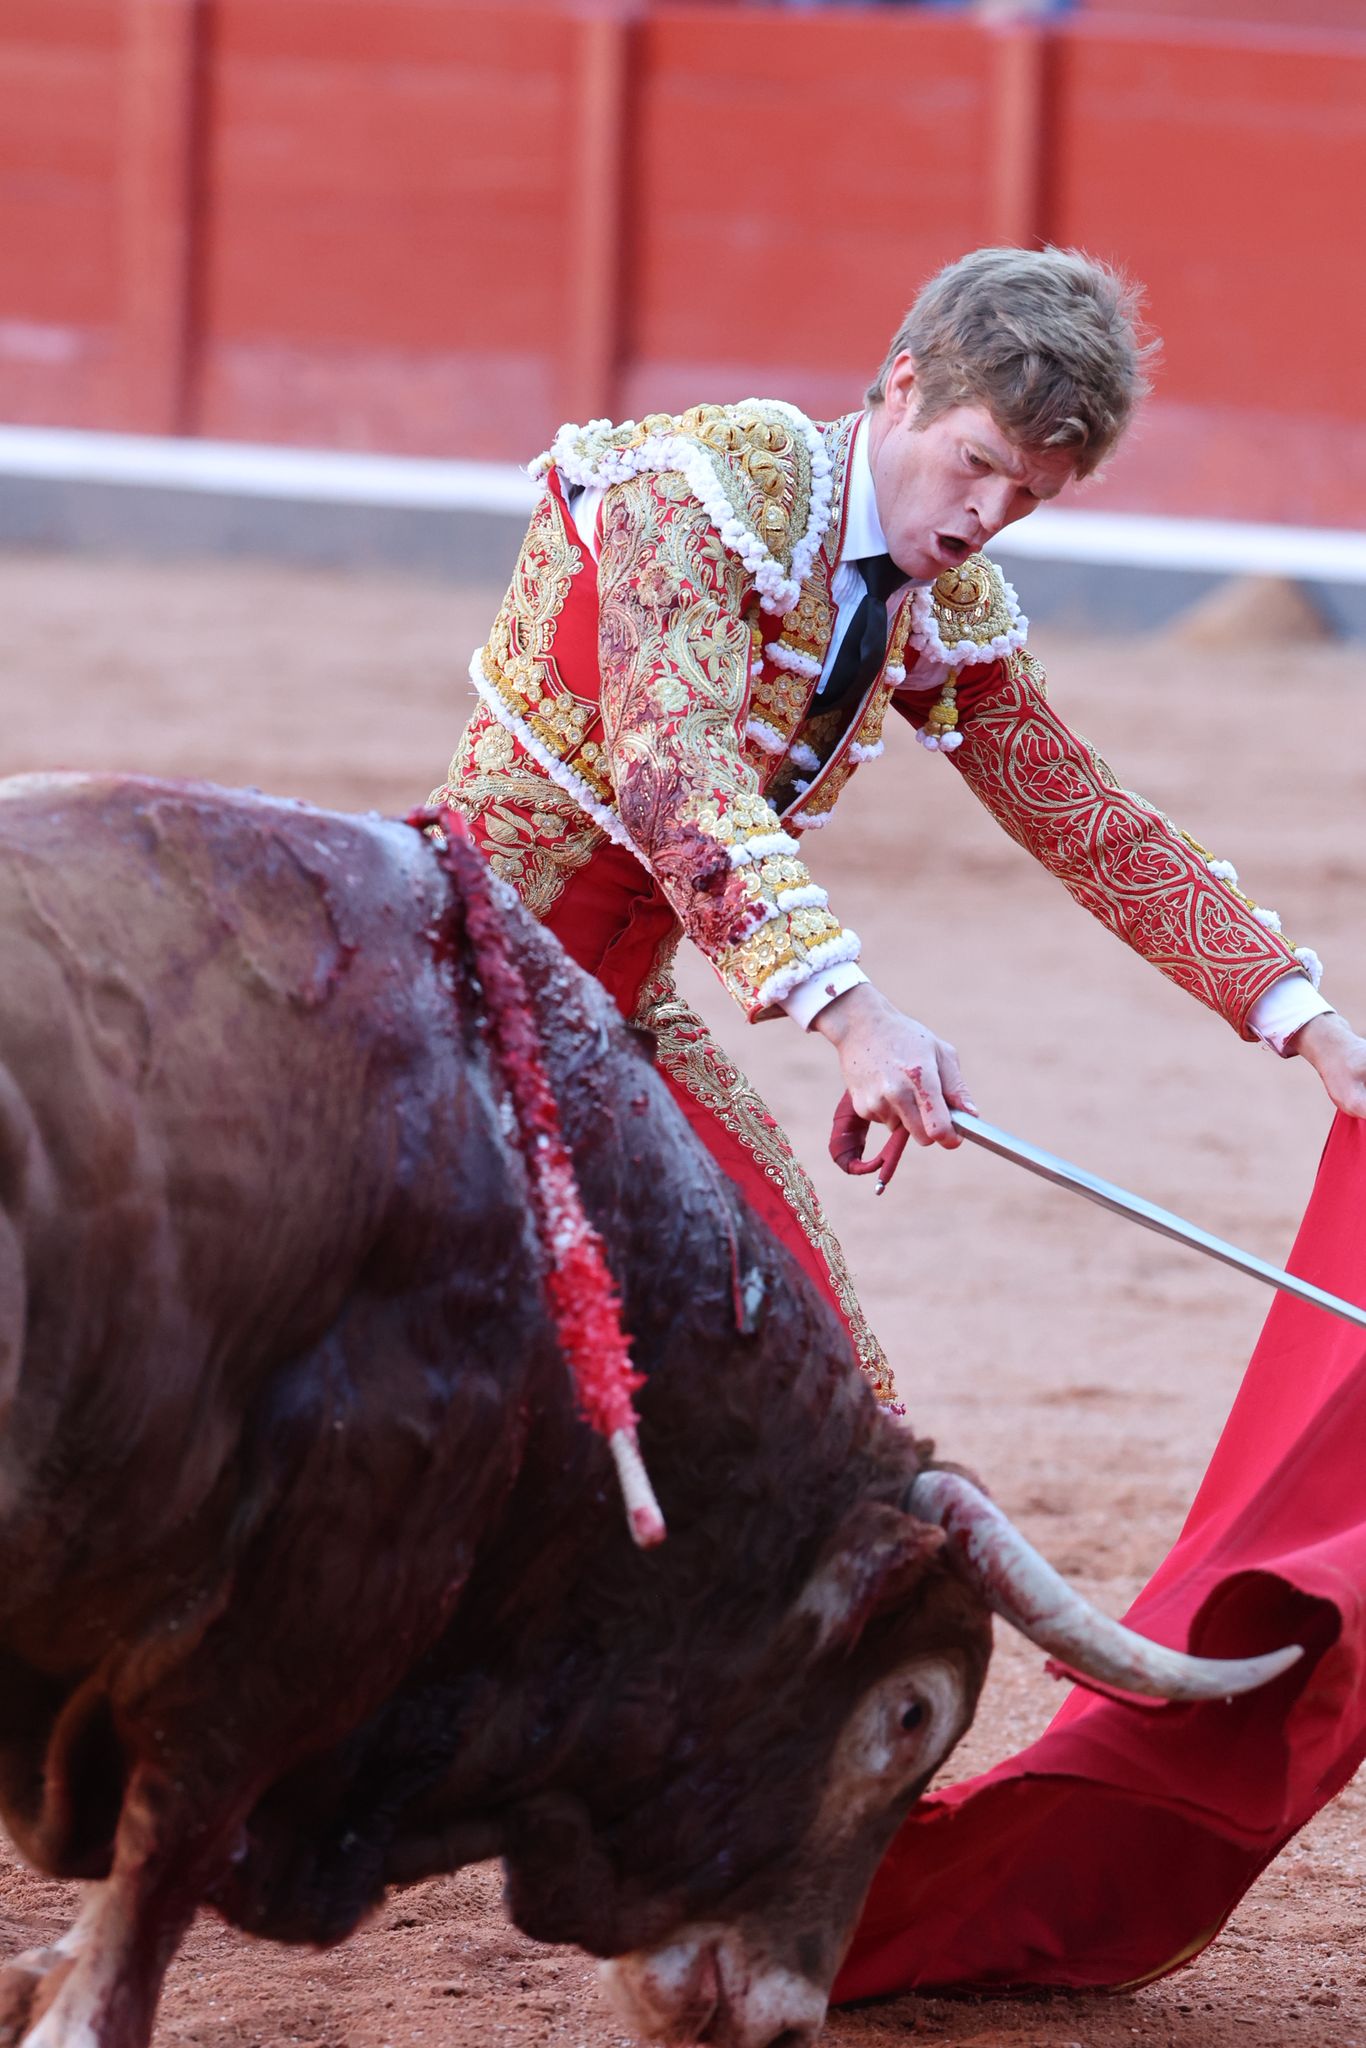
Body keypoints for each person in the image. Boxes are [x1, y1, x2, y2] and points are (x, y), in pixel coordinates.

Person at [427, 244, 1366, 1411]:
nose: (986, 516)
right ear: (905, 384)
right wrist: (853, 1015)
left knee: (823, 1386)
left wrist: (1303, 1017)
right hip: (445, 984)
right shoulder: (706, 488)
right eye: (977, 464)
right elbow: (672, 773)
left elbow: (1083, 816)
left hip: (615, 1018)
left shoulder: (938, 602)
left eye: (1028, 494)